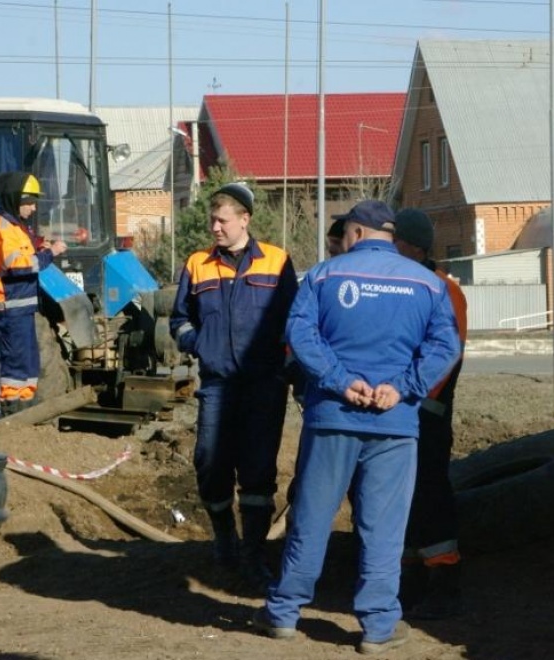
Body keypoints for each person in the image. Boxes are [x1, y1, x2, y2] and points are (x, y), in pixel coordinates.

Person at [254, 200, 461, 654]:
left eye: (346, 232)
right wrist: (405, 388)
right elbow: (447, 346)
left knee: (311, 517)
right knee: (384, 528)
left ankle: (285, 613)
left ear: (359, 233)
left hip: (333, 417)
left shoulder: (324, 277)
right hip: (396, 422)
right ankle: (379, 626)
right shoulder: (429, 284)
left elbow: (301, 336)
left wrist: (340, 381)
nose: (342, 240)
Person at [169, 181, 297, 591]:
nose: (215, 228)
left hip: (263, 385)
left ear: (245, 219)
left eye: (222, 220)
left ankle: (254, 555)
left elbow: (295, 322)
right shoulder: (197, 264)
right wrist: (198, 343)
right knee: (210, 462)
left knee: (258, 471)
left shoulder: (277, 262)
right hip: (219, 385)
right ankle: (224, 537)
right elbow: (179, 319)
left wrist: (288, 367)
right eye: (212, 220)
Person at [392, 208, 468, 619]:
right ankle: (409, 576)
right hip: (404, 408)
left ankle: (443, 580)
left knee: (429, 494)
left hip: (426, 415)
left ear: (415, 246)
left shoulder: (443, 290)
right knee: (402, 497)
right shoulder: (401, 282)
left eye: (395, 240)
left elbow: (446, 354)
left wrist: (412, 395)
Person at [0, 171, 67, 417]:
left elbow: (24, 253)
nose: (33, 207)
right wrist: (50, 254)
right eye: (28, 202)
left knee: (29, 365)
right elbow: (18, 265)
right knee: (16, 367)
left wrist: (41, 246)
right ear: (14, 200)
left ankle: (25, 412)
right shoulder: (3, 228)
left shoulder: (17, 228)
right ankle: (12, 414)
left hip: (22, 307)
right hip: (10, 306)